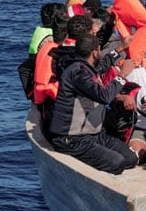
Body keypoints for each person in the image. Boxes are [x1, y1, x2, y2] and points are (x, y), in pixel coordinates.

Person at [49, 34, 139, 175]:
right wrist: (122, 75)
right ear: (95, 52)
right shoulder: (77, 72)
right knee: (118, 163)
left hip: (93, 135)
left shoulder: (85, 66)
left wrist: (121, 48)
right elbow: (104, 97)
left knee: (131, 158)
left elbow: (101, 67)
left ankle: (95, 157)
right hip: (71, 139)